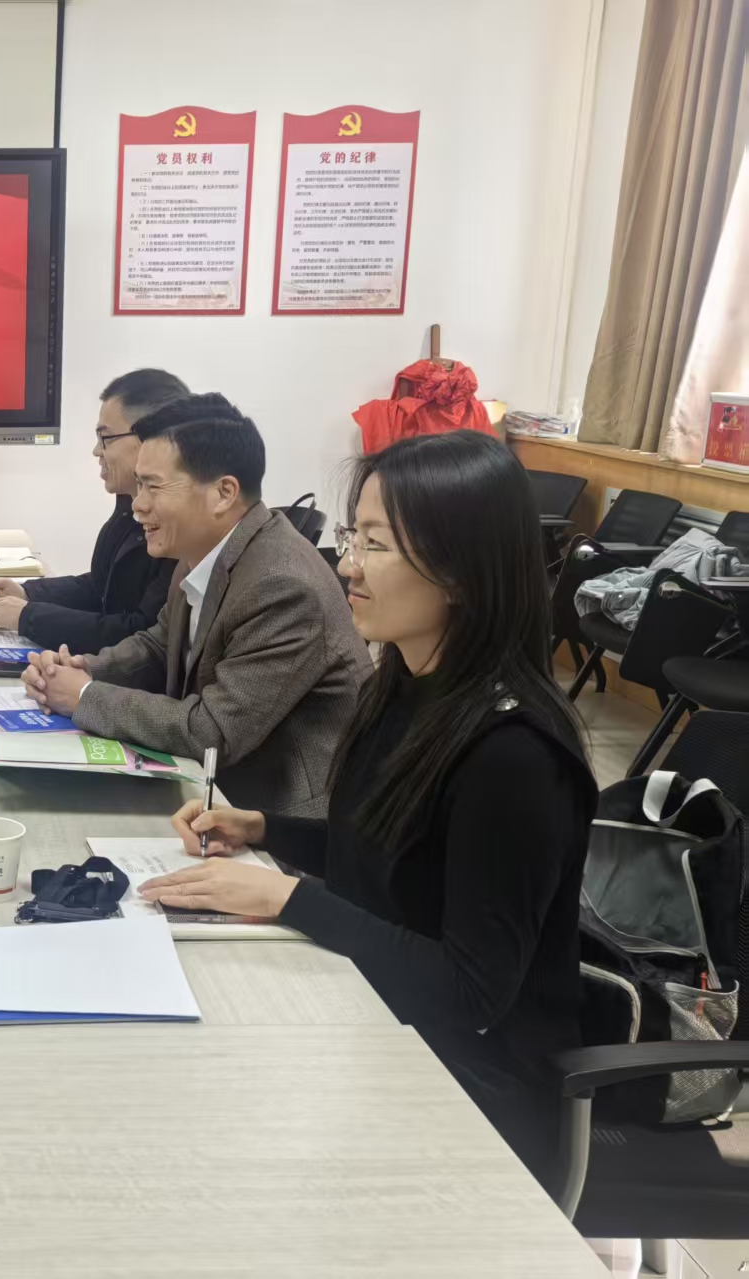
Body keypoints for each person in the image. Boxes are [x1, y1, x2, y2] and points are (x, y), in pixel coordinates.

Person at [137, 431, 597, 1194]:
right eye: (353, 536)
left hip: (474, 1090)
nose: (347, 565)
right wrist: (264, 829)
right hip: (378, 1019)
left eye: (375, 544)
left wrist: (288, 896)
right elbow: (393, 852)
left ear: (461, 570)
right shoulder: (406, 687)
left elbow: (471, 991)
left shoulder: (516, 755)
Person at [23, 393, 369, 816]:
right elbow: (158, 645)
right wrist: (83, 669)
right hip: (211, 792)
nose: (138, 505)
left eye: (153, 486)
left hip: (275, 821)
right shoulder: (202, 552)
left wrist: (84, 696)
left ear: (223, 493)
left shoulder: (282, 585)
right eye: (139, 485)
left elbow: (213, 731)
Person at [0, 369, 185, 652]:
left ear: (150, 438)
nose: (96, 451)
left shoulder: (180, 529)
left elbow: (140, 634)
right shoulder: (128, 505)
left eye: (106, 438)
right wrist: (29, 593)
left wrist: (29, 616)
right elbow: (101, 588)